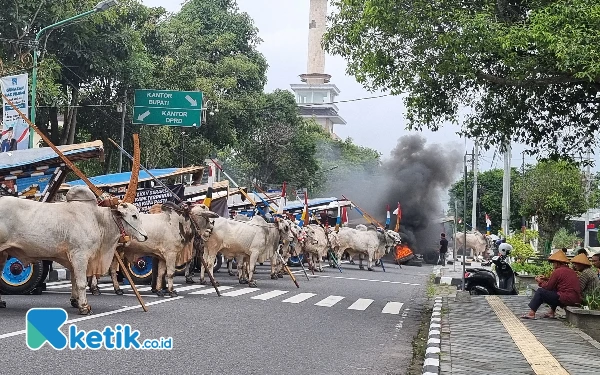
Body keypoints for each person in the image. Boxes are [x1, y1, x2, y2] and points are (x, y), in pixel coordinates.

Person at [521, 250, 581, 320]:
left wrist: (540, 282)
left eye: (553, 263)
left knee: (540, 292)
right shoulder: (571, 271)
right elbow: (558, 282)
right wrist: (546, 279)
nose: (553, 265)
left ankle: (531, 313)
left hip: (566, 298)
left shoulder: (558, 271)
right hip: (575, 298)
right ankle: (551, 312)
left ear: (557, 263)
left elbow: (548, 287)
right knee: (556, 291)